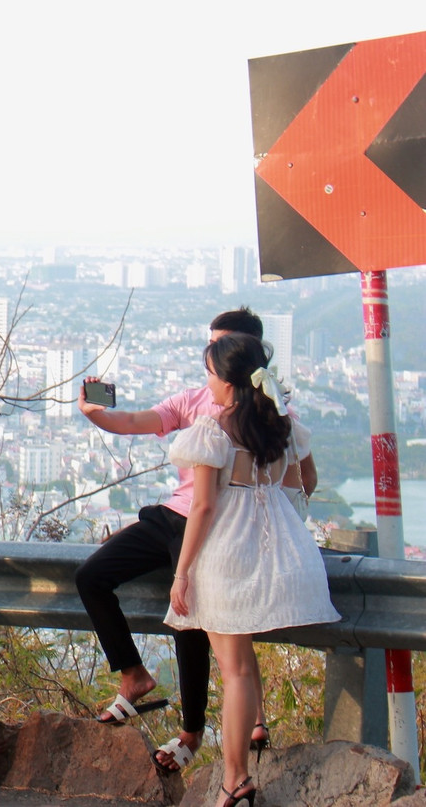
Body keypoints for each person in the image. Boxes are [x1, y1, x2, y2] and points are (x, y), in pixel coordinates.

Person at [73, 308, 316, 772]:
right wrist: (95, 413)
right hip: (174, 515)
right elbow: (134, 423)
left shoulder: (273, 412)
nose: (211, 357)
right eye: (211, 347)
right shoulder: (195, 400)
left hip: (217, 526)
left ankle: (195, 732)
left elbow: (294, 477)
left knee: (193, 627)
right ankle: (134, 675)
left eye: (222, 349)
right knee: (93, 576)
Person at [165, 332, 337, 807]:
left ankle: (235, 777)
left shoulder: (213, 430)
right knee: (242, 664)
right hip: (277, 551)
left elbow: (201, 508)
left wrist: (181, 573)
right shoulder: (281, 425)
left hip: (226, 553)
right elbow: (306, 480)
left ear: (228, 380)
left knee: (234, 670)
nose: (208, 383)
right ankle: (240, 767)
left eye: (211, 374)